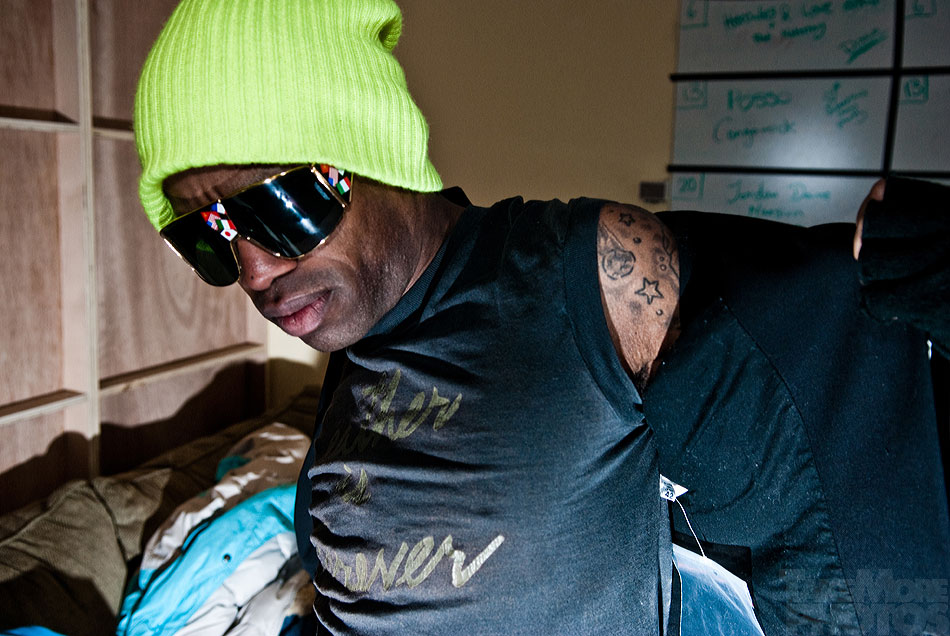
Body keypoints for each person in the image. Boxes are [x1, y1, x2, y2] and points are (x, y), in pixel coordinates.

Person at [133, 0, 949, 633]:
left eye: (280, 206)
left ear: (370, 147)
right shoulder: (352, 349)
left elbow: (829, 401)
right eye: (206, 237)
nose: (254, 271)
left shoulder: (584, 276)